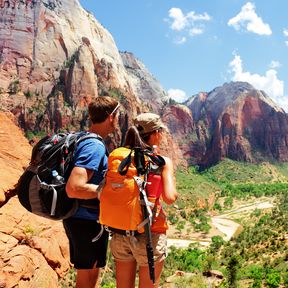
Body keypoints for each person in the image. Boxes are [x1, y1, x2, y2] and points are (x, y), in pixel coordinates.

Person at [110, 112, 178, 288]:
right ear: (155, 134)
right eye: (160, 132)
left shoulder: (120, 157)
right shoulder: (162, 161)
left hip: (120, 232)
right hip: (150, 234)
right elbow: (170, 198)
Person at [63, 96, 120, 288]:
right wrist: (107, 192)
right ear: (111, 117)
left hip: (81, 219)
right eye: (117, 116)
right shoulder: (94, 146)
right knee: (86, 281)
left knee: (89, 276)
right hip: (86, 221)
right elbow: (74, 187)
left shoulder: (84, 139)